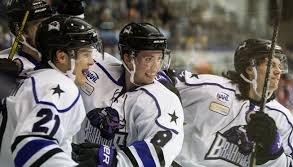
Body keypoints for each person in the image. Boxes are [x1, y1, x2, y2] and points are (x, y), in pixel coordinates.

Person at [158, 38, 293, 166]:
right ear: (250, 68)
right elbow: (162, 76)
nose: (278, 71)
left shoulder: (283, 118)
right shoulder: (212, 88)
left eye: (279, 66)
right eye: (271, 65)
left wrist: (274, 148)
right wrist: (169, 94)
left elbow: (292, 164)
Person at [73, 22, 184, 167]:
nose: (156, 67)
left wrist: (112, 160)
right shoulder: (97, 67)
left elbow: (160, 149)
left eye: (159, 58)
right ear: (127, 58)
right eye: (148, 59)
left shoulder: (163, 100)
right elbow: (71, 47)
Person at [0, 15, 98, 166]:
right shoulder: (61, 85)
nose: (91, 61)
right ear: (61, 57)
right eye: (86, 54)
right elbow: (30, 145)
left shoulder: (33, 80)